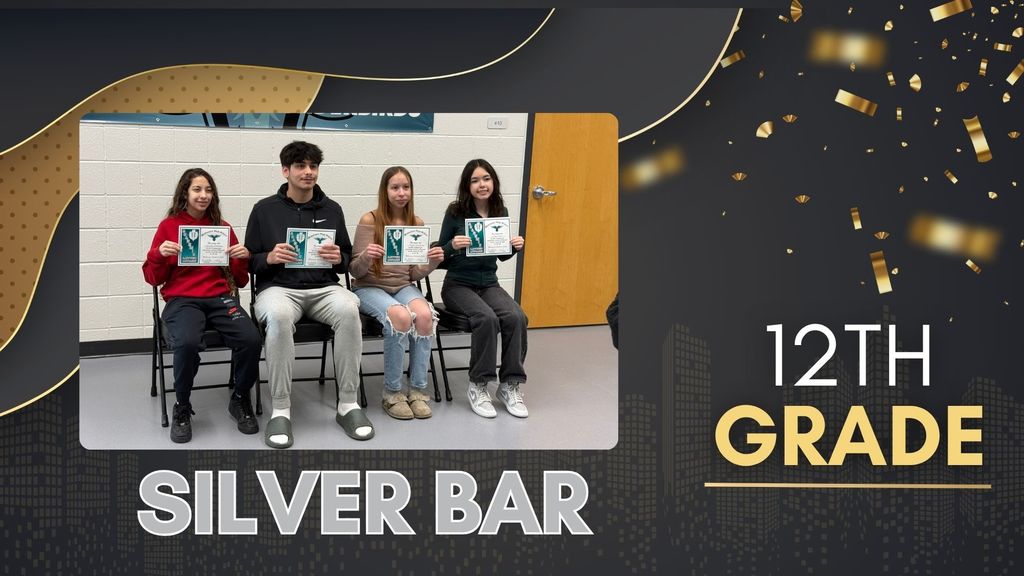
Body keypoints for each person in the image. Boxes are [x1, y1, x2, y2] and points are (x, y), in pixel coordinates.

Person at [244, 141, 371, 448]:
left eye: (313, 166)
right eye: (300, 166)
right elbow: (248, 260)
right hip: (279, 290)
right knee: (278, 315)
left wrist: (336, 258)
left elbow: (346, 259)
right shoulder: (264, 210)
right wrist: (269, 259)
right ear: (285, 170)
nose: (308, 172)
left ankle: (348, 405)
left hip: (323, 289)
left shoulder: (332, 209)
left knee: (349, 308)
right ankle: (281, 409)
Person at [142, 167, 261, 444]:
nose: (203, 195)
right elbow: (153, 277)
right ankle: (182, 406)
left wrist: (240, 258)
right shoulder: (169, 227)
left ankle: (240, 398)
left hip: (219, 298)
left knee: (251, 339)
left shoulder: (222, 227)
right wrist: (158, 254)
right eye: (197, 189)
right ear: (185, 193)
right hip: (182, 300)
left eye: (208, 190)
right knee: (186, 342)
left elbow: (241, 281)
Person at [349, 167, 445, 420]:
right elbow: (354, 270)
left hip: (402, 285)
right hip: (369, 286)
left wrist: (433, 263)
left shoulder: (417, 223)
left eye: (406, 187)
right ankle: (392, 393)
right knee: (400, 317)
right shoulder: (370, 219)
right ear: (385, 191)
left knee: (424, 316)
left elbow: (414, 274)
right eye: (395, 187)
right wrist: (367, 257)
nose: (402, 193)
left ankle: (418, 390)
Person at [437, 159, 529, 419]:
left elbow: (500, 256)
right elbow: (440, 255)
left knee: (516, 317)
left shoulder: (500, 210)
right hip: (458, 284)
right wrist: (452, 245)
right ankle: (478, 384)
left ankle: (510, 384)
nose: (481, 185)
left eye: (486, 179)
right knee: (486, 318)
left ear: (494, 182)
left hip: (489, 282)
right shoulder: (455, 212)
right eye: (475, 180)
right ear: (468, 185)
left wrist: (514, 246)